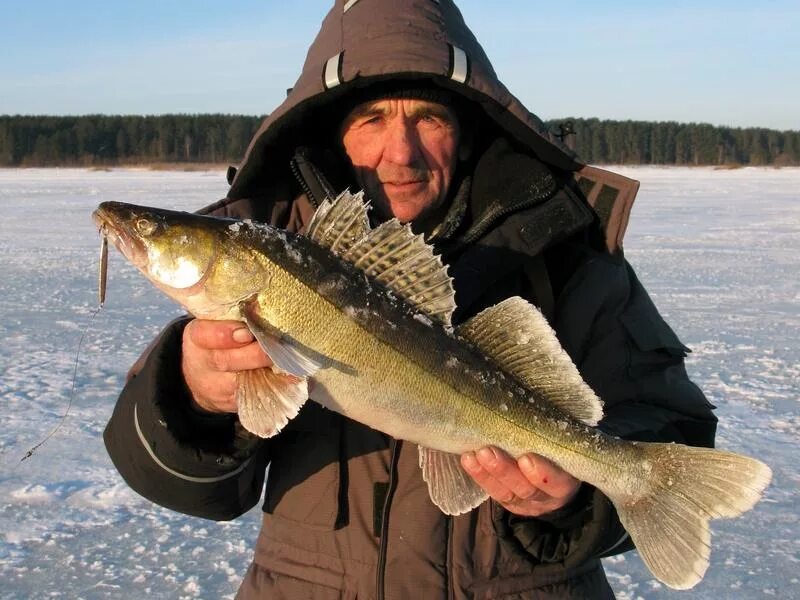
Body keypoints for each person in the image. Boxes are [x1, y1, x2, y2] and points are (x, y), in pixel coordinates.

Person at [104, 1, 717, 598]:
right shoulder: (273, 245)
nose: (400, 153)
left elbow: (672, 424)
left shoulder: (568, 259)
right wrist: (195, 398)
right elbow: (187, 489)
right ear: (333, 130)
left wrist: (576, 502)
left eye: (429, 118)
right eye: (371, 119)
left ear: (469, 130)